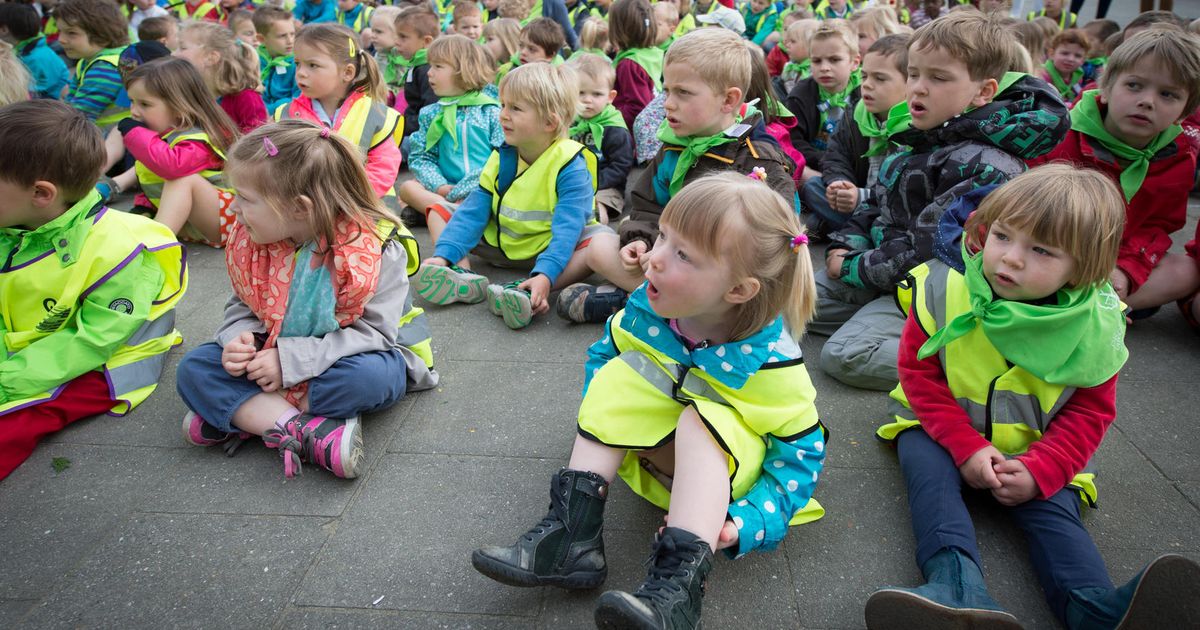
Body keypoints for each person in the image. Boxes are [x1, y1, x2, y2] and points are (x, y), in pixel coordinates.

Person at [471, 173, 827, 630]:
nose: (654, 258)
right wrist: (610, 434)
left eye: (682, 254)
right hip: (660, 456)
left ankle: (675, 593)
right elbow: (605, 358)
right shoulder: (649, 311)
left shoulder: (774, 365)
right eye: (663, 236)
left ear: (738, 290)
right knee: (620, 373)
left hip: (727, 481)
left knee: (702, 422)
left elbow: (801, 457)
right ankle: (571, 539)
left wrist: (746, 521)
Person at [865, 164, 1200, 630]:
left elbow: (1090, 412)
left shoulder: (1097, 327)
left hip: (1036, 445)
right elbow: (919, 377)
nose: (1010, 259)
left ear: (1082, 267)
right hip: (939, 429)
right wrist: (967, 447)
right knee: (930, 479)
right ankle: (954, 587)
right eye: (1002, 235)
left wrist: (1042, 468)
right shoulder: (943, 285)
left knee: (1055, 514)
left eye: (1041, 250)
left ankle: (1097, 610)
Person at [816, 11, 1069, 392]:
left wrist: (853, 267)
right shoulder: (921, 134)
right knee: (791, 302)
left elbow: (928, 249)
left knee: (847, 354)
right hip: (886, 272)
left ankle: (978, 370)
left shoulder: (987, 165)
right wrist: (848, 245)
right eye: (914, 73)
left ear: (983, 92)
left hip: (933, 293)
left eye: (938, 78)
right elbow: (878, 206)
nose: (917, 87)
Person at [175, 120, 436, 479]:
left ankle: (249, 415)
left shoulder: (375, 250)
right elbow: (244, 303)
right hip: (274, 355)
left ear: (298, 207)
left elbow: (375, 334)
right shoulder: (256, 239)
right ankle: (308, 430)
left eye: (245, 199)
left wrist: (290, 362)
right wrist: (239, 338)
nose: (233, 209)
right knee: (194, 368)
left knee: (370, 380)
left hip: (354, 355)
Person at [0, 100, 187, 481]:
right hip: (34, 345)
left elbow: (94, 340)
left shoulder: (120, 249)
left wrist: (7, 379)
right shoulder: (16, 220)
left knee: (27, 413)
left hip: (107, 361)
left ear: (41, 194)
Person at [412, 63, 631, 330]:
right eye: (503, 104)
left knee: (601, 241)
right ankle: (459, 273)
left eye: (515, 108)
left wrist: (546, 274)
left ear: (550, 122)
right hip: (504, 243)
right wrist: (443, 253)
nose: (503, 115)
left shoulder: (570, 164)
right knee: (440, 210)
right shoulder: (501, 155)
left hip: (551, 251)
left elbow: (568, 229)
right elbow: (473, 212)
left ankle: (530, 288)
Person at [600, 27, 796, 323]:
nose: (667, 103)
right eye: (666, 90)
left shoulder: (757, 161)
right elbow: (649, 205)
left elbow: (777, 242)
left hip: (727, 285)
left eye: (683, 93)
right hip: (670, 261)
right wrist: (642, 240)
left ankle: (636, 301)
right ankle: (645, 299)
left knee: (595, 252)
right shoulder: (676, 147)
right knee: (597, 238)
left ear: (729, 100)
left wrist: (680, 259)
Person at [1029, 28, 1200, 317]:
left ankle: (1087, 307)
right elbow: (1022, 209)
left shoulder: (1179, 158)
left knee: (1187, 270)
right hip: (1047, 248)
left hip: (1113, 259)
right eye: (1134, 85)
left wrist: (1126, 269)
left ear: (1185, 112)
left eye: (1167, 94)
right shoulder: (1060, 134)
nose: (1148, 101)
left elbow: (1156, 226)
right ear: (1106, 88)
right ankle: (1087, 308)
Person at [101, 58, 239, 250]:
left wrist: (135, 134)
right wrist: (143, 208)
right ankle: (151, 233)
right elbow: (150, 177)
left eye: (145, 104)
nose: (134, 112)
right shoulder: (161, 139)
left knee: (182, 179)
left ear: (178, 106)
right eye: (132, 102)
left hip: (230, 221)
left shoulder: (196, 139)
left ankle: (153, 246)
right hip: (201, 227)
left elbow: (171, 167)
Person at [275, 23, 404, 212]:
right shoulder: (286, 114)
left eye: (313, 65)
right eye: (298, 64)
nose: (301, 72)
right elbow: (276, 166)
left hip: (365, 205)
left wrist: (348, 200)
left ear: (347, 72)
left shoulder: (374, 114)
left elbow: (383, 166)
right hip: (306, 206)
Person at [398, 35, 504, 227]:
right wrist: (439, 186)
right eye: (431, 66)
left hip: (482, 188)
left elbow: (500, 158)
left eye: (438, 67)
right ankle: (451, 212)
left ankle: (439, 212)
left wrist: (461, 190)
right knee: (407, 188)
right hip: (443, 189)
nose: (429, 73)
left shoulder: (491, 111)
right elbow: (421, 157)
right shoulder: (431, 113)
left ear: (463, 70)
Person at [811, 33, 909, 235]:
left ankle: (847, 231)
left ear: (911, 84)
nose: (866, 85)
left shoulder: (915, 126)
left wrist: (861, 197)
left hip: (891, 212)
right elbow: (835, 155)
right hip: (856, 196)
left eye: (880, 78)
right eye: (865, 76)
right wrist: (839, 182)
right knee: (813, 186)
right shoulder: (855, 114)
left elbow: (907, 193)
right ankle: (850, 230)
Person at [786, 19, 861, 186]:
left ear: (854, 62)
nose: (824, 67)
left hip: (852, 165)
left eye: (834, 60)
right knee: (803, 177)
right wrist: (828, 162)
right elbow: (794, 142)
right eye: (817, 61)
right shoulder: (800, 95)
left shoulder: (864, 94)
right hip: (816, 164)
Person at [567, 52, 635, 224]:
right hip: (573, 180)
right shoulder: (570, 121)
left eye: (596, 94)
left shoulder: (614, 128)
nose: (587, 100)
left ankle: (597, 228)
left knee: (597, 206)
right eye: (580, 93)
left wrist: (593, 184)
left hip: (606, 186)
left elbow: (620, 166)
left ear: (610, 97)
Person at [175, 20, 267, 134]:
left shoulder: (246, 97)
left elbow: (259, 137)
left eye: (182, 48)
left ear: (211, 58)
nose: (173, 54)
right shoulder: (189, 91)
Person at [57, 0, 130, 129]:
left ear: (102, 35)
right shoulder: (88, 60)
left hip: (109, 139)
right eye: (60, 31)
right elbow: (71, 103)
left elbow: (76, 119)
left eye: (71, 33)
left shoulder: (106, 68)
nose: (61, 39)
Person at [610, 0, 663, 128]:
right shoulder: (654, 53)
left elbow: (637, 109)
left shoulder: (629, 65)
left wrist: (609, 120)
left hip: (631, 136)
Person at [0, 3, 69, 100]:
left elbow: (48, 86)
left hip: (50, 102)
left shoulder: (37, 56)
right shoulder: (25, 49)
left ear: (3, 30)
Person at [395, 7, 439, 143]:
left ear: (426, 42)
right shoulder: (416, 65)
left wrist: (401, 127)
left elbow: (430, 112)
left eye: (403, 37)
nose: (396, 42)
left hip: (423, 136)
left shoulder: (428, 70)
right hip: (414, 126)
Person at [255, 8, 301, 114]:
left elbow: (298, 99)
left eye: (292, 34)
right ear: (261, 39)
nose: (290, 41)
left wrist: (268, 110)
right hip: (257, 113)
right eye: (282, 36)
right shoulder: (254, 59)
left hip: (284, 118)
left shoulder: (298, 63)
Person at [1040, 28, 1092, 102]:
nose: (1071, 59)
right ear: (1051, 54)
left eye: (1077, 56)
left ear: (1083, 60)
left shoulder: (1078, 75)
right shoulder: (1042, 74)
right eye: (1065, 53)